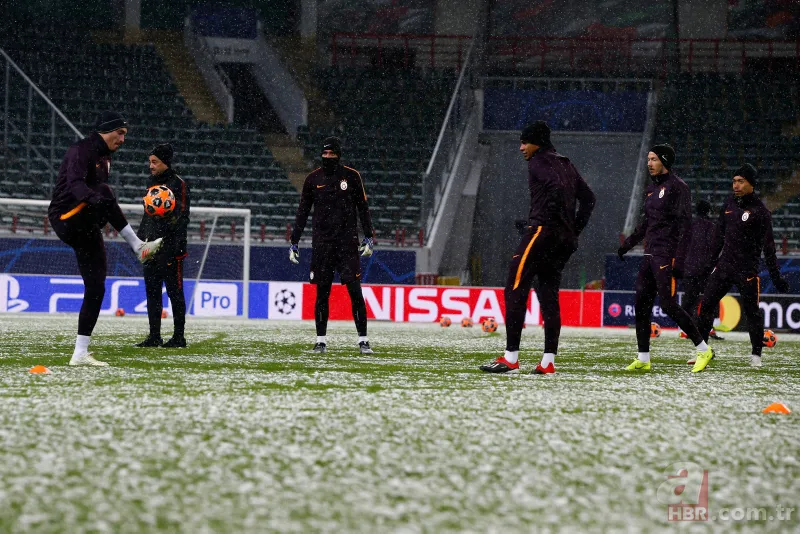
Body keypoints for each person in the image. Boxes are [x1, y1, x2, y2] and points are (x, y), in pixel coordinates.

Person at [479, 121, 596, 375]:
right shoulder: (565, 162)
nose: (521, 148)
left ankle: (510, 358)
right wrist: (572, 228)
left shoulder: (538, 162)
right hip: (564, 240)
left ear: (537, 143)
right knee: (548, 295)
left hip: (543, 231)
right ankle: (548, 361)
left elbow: (554, 189)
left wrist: (546, 222)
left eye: (524, 142)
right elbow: (588, 198)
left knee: (515, 285)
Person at [47, 111, 162, 366]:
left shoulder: (105, 157)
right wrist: (98, 201)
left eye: (125, 134)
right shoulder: (81, 150)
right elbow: (76, 186)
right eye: (119, 133)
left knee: (97, 286)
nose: (123, 138)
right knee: (105, 191)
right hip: (65, 217)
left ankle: (79, 353)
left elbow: (97, 198)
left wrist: (100, 213)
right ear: (105, 130)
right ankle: (138, 246)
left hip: (84, 223)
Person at [617, 143, 714, 371]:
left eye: (653, 159)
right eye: (648, 159)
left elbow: (686, 227)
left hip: (665, 255)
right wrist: (627, 245)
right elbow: (645, 224)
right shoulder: (651, 189)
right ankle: (643, 358)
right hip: (649, 255)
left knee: (669, 305)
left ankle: (703, 349)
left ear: (664, 161)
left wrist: (678, 261)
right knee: (641, 305)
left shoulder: (678, 187)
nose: (649, 163)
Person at [693, 164, 789, 371]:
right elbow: (718, 238)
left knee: (752, 312)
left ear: (751, 184)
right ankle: (703, 351)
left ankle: (756, 355)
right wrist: (709, 265)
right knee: (707, 304)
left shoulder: (761, 212)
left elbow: (769, 247)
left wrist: (776, 276)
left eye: (741, 181)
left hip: (747, 270)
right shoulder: (729, 204)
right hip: (724, 267)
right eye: (734, 181)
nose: (735, 185)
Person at [289, 136, 375, 354]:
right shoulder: (312, 179)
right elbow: (302, 212)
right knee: (322, 294)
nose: (328, 157)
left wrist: (369, 236)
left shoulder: (352, 177)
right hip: (322, 245)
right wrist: (294, 241)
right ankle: (320, 341)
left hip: (347, 244)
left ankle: (363, 341)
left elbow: (363, 208)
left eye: (331, 154)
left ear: (338, 155)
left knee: (355, 293)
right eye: (325, 154)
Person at [135, 143, 190, 348]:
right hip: (151, 247)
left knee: (175, 292)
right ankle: (154, 336)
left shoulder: (179, 184)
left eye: (155, 162)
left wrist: (167, 239)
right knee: (152, 292)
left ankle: (179, 337)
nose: (151, 166)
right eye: (150, 162)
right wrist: (142, 239)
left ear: (165, 162)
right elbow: (147, 215)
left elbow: (183, 217)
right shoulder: (150, 183)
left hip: (171, 249)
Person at [679, 200, 724, 341]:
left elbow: (681, 246)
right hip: (706, 270)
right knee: (709, 300)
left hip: (690, 269)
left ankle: (684, 330)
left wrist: (680, 266)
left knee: (689, 300)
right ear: (709, 211)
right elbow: (715, 249)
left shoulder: (689, 226)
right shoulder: (713, 227)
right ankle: (710, 329)